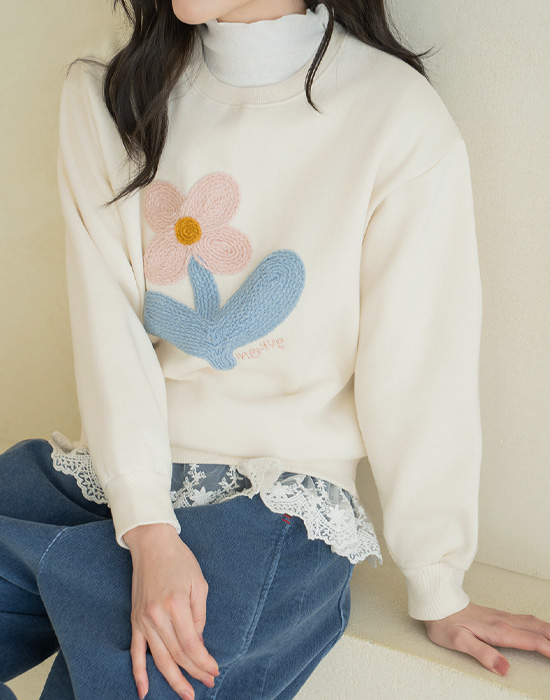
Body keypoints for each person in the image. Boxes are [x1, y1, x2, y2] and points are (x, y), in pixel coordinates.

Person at [1, 1, 549, 699]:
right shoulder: (112, 87)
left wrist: (438, 581)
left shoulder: (393, 115)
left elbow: (418, 370)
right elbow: (106, 327)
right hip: (106, 479)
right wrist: (147, 526)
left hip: (269, 508)